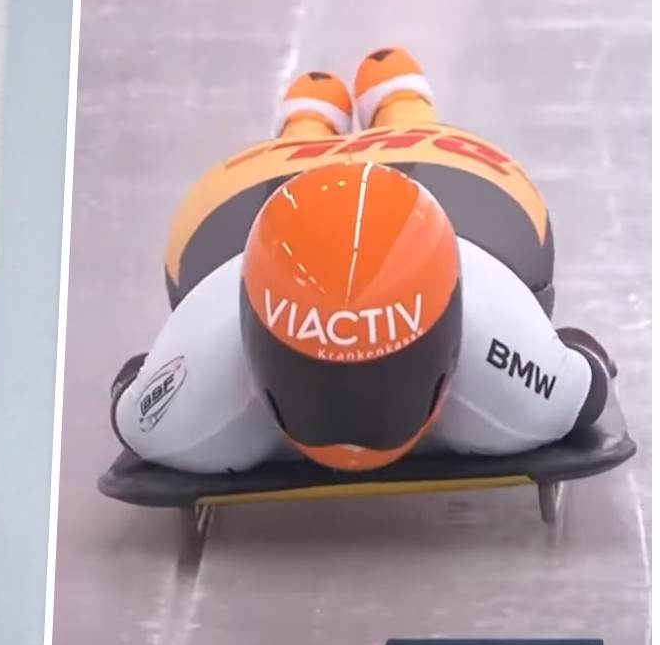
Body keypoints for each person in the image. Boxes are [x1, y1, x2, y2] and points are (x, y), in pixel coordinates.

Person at [112, 48, 611, 474]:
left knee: (202, 252)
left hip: (238, 224)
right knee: (517, 247)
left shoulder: (183, 420)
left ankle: (307, 125)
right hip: (459, 184)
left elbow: (130, 397)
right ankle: (398, 106)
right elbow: (587, 377)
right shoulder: (525, 392)